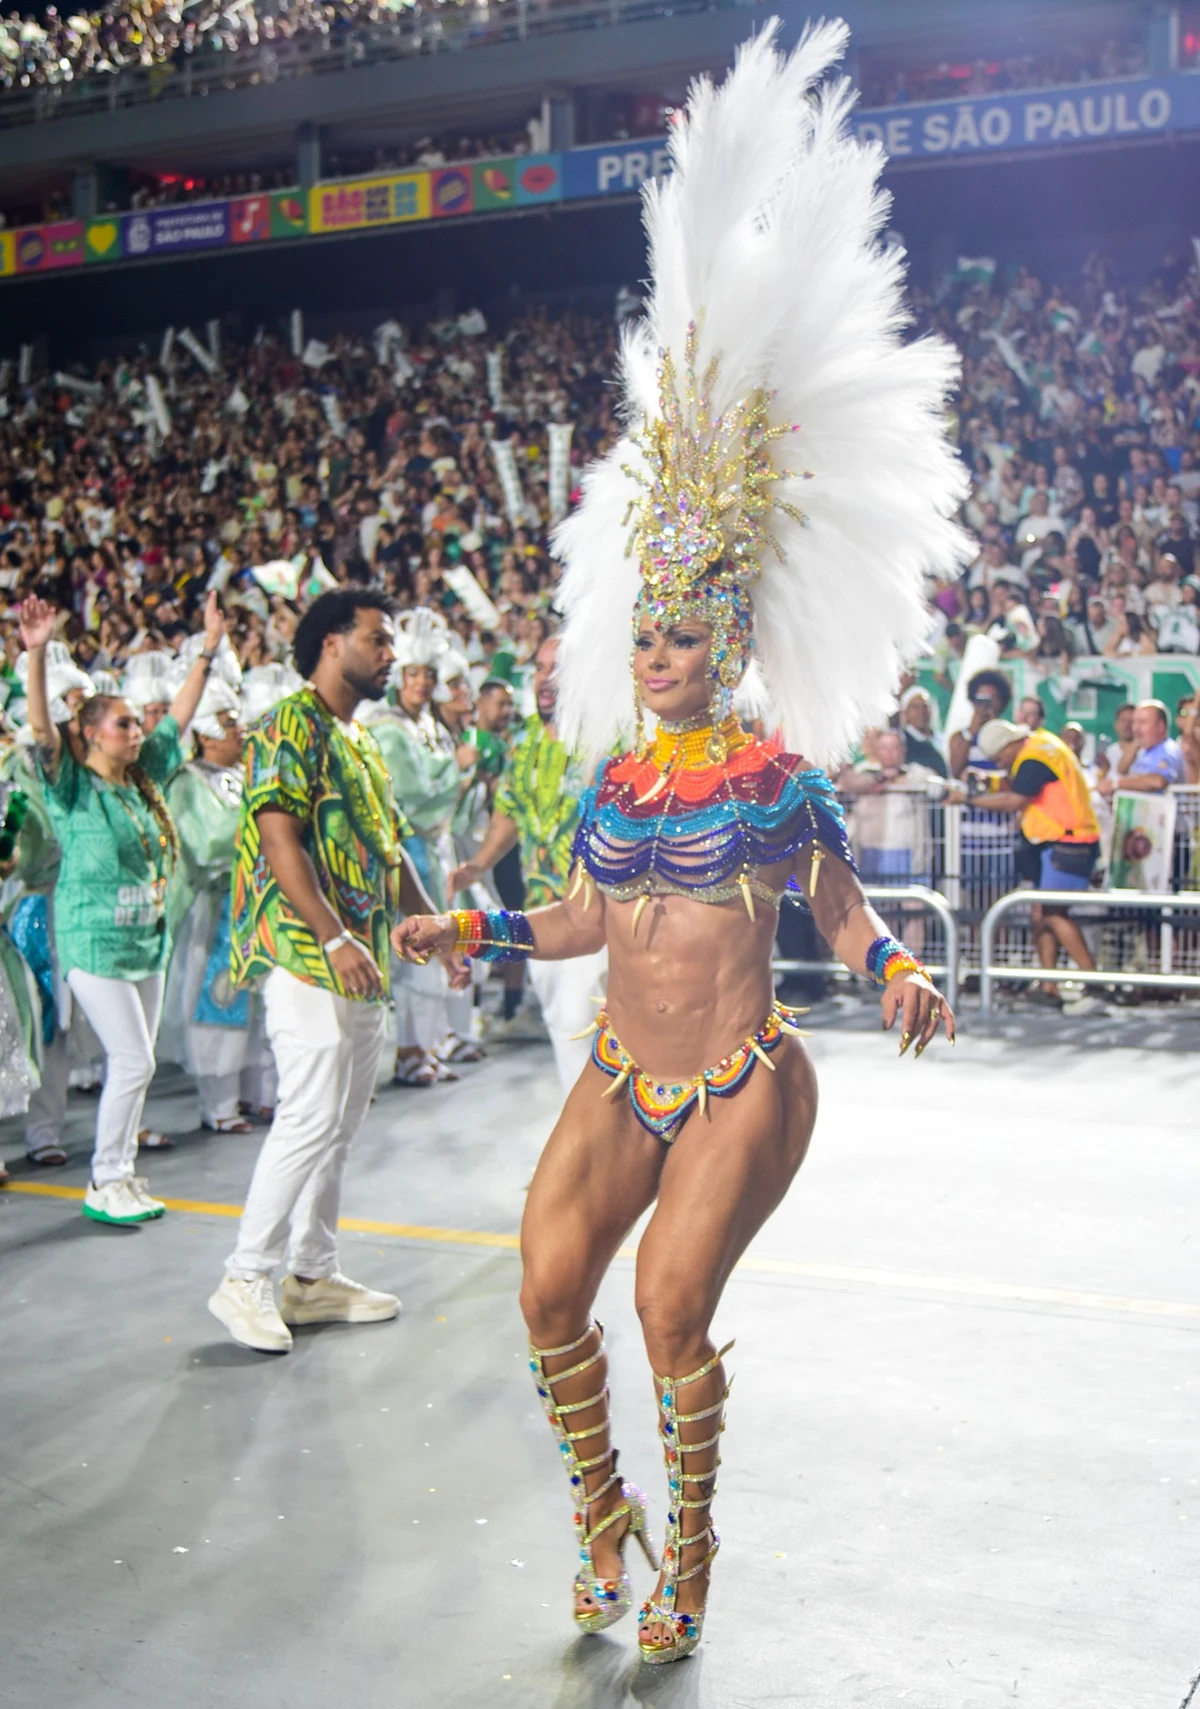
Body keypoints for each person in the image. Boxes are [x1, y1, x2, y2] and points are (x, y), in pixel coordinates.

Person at [394, 25, 961, 1666]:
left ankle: (689, 1544)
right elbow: (582, 926)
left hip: (740, 1077)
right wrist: (483, 938)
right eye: (644, 628)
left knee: (665, 1311)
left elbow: (839, 905)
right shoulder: (615, 792)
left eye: (686, 626)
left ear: (726, 632)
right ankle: (602, 1516)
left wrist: (903, 963)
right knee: (544, 1291)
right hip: (619, 1074)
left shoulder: (778, 778)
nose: (660, 647)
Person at [209, 588, 462, 1355]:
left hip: (358, 954)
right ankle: (245, 1276)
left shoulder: (360, 741)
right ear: (329, 643)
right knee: (311, 1111)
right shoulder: (290, 721)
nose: (392, 654)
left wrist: (437, 929)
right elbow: (278, 834)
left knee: (341, 1123)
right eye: (378, 639)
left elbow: (391, 854)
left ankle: (311, 1275)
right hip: (306, 947)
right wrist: (334, 936)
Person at [17, 591, 225, 1225]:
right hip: (94, 946)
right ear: (91, 734)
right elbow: (44, 731)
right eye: (123, 725)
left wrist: (208, 650)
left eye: (137, 724)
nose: (137, 732)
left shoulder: (144, 777)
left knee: (138, 1062)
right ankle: (106, 1178)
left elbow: (181, 718)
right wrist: (33, 654)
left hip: (145, 944)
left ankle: (122, 1174)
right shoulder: (72, 784)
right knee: (133, 1060)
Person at [447, 633, 606, 1093]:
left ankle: (597, 1147)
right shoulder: (524, 744)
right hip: (539, 915)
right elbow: (509, 815)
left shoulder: (606, 739)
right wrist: (477, 865)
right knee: (563, 1025)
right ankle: (591, 1142)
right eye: (539, 668)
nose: (545, 680)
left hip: (596, 916)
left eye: (558, 670)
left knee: (583, 1025)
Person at [160, 678, 277, 1133]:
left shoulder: (243, 777)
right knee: (219, 1000)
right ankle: (219, 1103)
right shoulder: (186, 784)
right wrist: (260, 822)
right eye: (229, 724)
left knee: (256, 1004)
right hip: (213, 912)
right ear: (205, 735)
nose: (240, 731)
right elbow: (205, 842)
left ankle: (256, 1092)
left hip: (250, 904)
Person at [973, 717, 1101, 1005]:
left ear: (1008, 745)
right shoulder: (1041, 746)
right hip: (1060, 842)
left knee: (1054, 914)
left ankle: (1095, 982)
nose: (1000, 763)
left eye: (998, 757)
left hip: (1068, 844)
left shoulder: (1034, 757)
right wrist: (991, 782)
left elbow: (1014, 800)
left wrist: (967, 800)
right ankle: (1048, 988)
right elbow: (1022, 784)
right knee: (1041, 915)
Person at [1097, 699, 1185, 797]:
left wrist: (1115, 784)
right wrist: (1137, 741)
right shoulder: (1144, 750)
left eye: (1142, 722)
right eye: (1134, 723)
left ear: (1160, 726)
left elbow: (1158, 781)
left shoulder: (1168, 750)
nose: (1135, 728)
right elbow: (1121, 770)